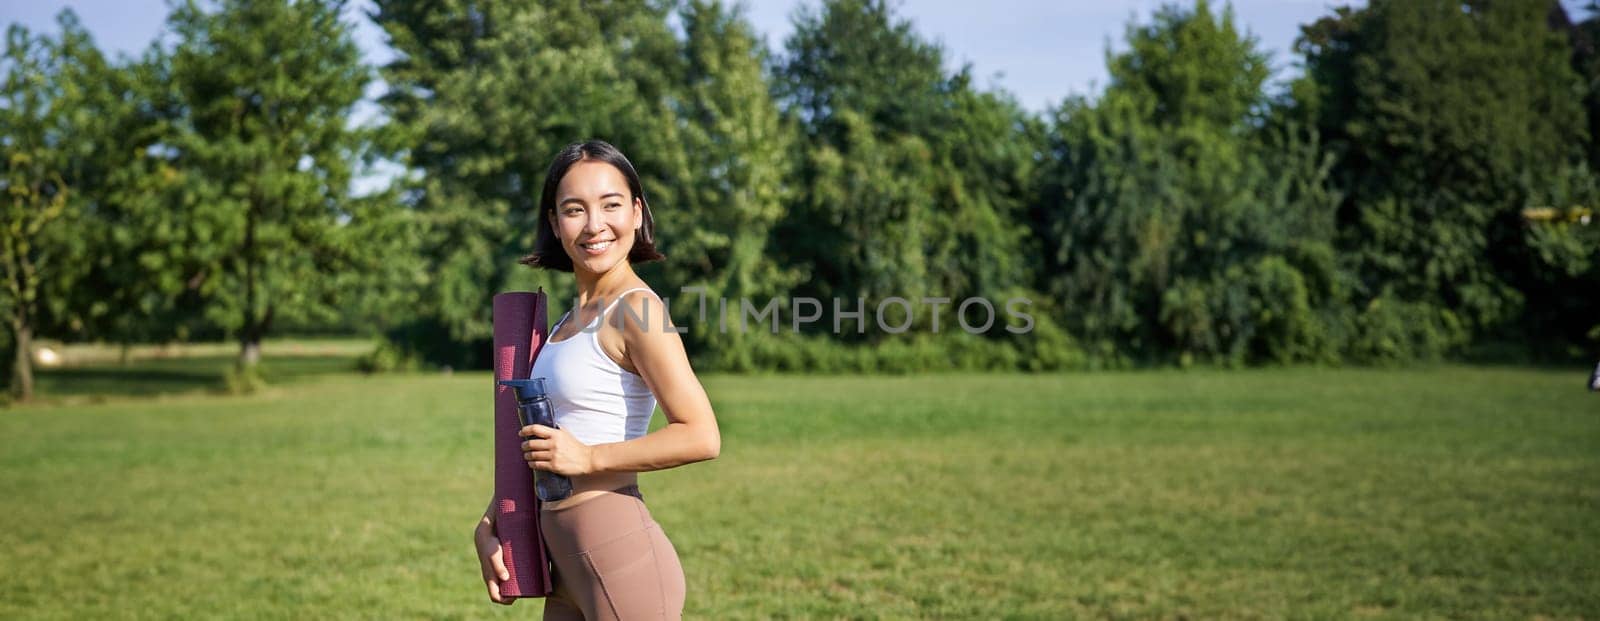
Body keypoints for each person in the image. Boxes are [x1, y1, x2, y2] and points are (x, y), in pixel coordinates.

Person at [473, 140, 722, 620]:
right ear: (553, 222)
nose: (594, 225)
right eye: (574, 209)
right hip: (564, 564)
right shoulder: (569, 320)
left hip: (618, 555)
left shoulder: (637, 309)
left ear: (636, 212)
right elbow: (547, 442)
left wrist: (587, 457)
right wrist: (494, 519)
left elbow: (701, 435)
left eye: (610, 205)